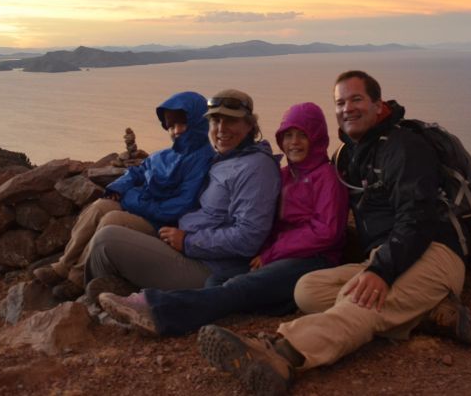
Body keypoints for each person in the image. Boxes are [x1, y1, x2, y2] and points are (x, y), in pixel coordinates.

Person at [197, 71, 471, 395]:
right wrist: (378, 265)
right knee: (308, 290)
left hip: (434, 251)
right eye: (340, 102)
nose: (347, 109)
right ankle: (429, 313)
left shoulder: (404, 146)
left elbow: (418, 219)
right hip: (387, 255)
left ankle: (282, 353)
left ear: (378, 105)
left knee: (361, 304)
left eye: (356, 99)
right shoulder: (351, 155)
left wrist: (382, 272)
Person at [98, 101, 349, 336]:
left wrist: (272, 253)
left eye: (303, 135)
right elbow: (270, 223)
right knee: (218, 282)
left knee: (237, 287)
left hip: (313, 258)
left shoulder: (326, 177)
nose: (294, 142)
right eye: (288, 135)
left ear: (316, 137)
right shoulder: (286, 174)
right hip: (274, 255)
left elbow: (326, 231)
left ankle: (158, 311)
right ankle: (272, 304)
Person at [83, 89, 281, 293]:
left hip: (209, 267)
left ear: (249, 125)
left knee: (106, 241)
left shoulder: (256, 168)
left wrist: (188, 241)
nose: (221, 128)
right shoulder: (225, 158)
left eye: (230, 121)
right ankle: (97, 291)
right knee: (109, 215)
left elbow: (248, 238)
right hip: (184, 243)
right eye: (215, 121)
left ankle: (92, 307)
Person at [33, 91, 212, 299]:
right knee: (100, 206)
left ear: (198, 122)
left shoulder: (203, 160)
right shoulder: (166, 154)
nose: (176, 131)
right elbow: (137, 172)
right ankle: (62, 266)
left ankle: (78, 276)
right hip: (143, 207)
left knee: (112, 218)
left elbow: (179, 206)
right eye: (171, 126)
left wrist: (131, 199)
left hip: (161, 222)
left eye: (182, 124)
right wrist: (118, 188)